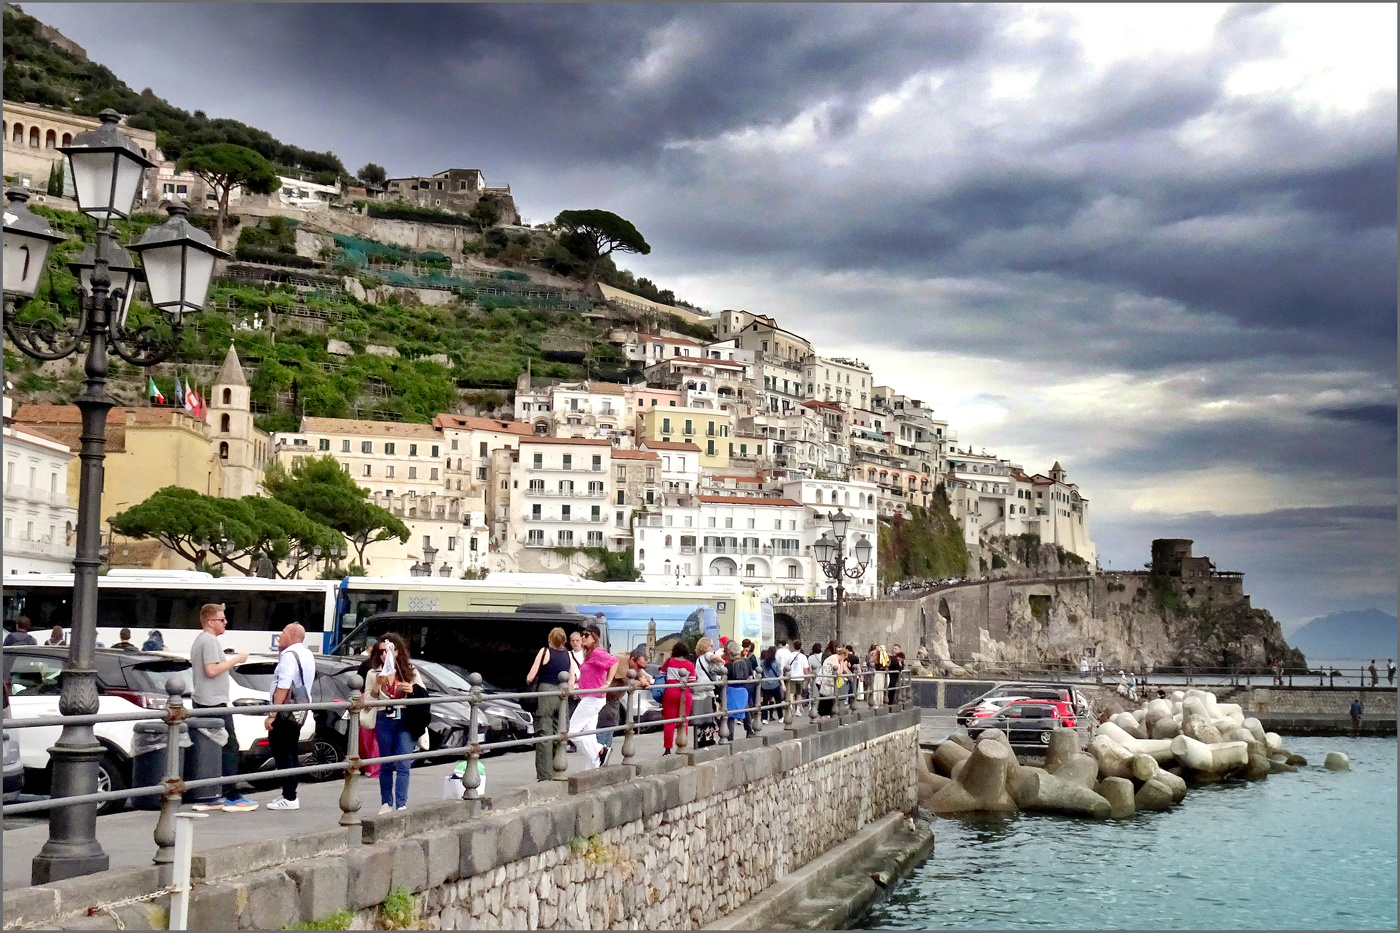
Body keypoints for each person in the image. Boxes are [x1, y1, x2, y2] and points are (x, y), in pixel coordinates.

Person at [188, 604, 256, 812]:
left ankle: (208, 795)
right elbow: (211, 670)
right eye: (222, 619)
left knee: (208, 750)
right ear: (210, 622)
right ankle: (231, 795)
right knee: (229, 746)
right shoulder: (209, 641)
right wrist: (237, 660)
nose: (226, 622)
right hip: (213, 703)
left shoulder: (201, 640)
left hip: (204, 700)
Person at [262, 623, 315, 810]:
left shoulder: (289, 656)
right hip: (299, 710)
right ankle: (288, 793)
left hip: (286, 711)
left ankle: (290, 797)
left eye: (283, 633)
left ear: (292, 635)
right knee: (291, 750)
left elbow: (283, 685)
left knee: (282, 751)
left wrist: (272, 714)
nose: (279, 636)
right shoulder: (306, 653)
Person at [369, 633, 424, 812]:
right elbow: (368, 702)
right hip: (384, 718)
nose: (385, 655)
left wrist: (412, 689)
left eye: (388, 651)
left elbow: (423, 695)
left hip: (405, 719)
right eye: (381, 652)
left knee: (403, 762)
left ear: (397, 652)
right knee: (386, 763)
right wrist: (377, 686)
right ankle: (386, 802)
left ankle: (401, 804)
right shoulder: (373, 673)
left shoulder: (410, 671)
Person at [525, 627, 578, 781]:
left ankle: (544, 775)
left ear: (550, 639)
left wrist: (530, 682)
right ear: (564, 641)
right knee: (559, 732)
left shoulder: (544, 652)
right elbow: (572, 679)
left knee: (544, 733)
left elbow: (531, 676)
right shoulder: (568, 654)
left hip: (546, 693)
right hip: (562, 695)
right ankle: (558, 770)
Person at [568, 625, 619, 770]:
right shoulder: (590, 653)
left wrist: (607, 683)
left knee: (572, 732)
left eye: (586, 635)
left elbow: (614, 662)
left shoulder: (597, 652)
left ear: (594, 638)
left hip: (592, 697)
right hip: (590, 697)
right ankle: (593, 767)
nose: (582, 637)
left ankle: (599, 751)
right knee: (589, 733)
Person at [658, 642, 696, 754]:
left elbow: (662, 674)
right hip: (685, 694)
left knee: (669, 722)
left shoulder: (669, 661)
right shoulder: (690, 665)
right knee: (684, 721)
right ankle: (681, 745)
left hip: (670, 692)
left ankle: (667, 749)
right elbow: (692, 682)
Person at [723, 640, 753, 739]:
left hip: (731, 690)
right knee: (746, 709)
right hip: (742, 690)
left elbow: (724, 678)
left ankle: (730, 736)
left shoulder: (728, 665)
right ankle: (749, 730)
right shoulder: (746, 661)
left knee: (730, 714)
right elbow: (749, 674)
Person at [759, 646, 783, 722]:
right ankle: (780, 717)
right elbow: (780, 674)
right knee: (778, 701)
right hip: (775, 684)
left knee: (765, 702)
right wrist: (783, 684)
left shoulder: (762, 662)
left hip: (765, 684)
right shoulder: (776, 663)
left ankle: (764, 718)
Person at [785, 640, 809, 711]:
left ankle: (791, 706)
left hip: (791, 676)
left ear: (793, 646)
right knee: (799, 694)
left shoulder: (790, 655)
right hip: (800, 677)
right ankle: (798, 709)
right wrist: (807, 675)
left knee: (791, 693)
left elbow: (787, 666)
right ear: (800, 647)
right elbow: (805, 669)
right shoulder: (803, 656)